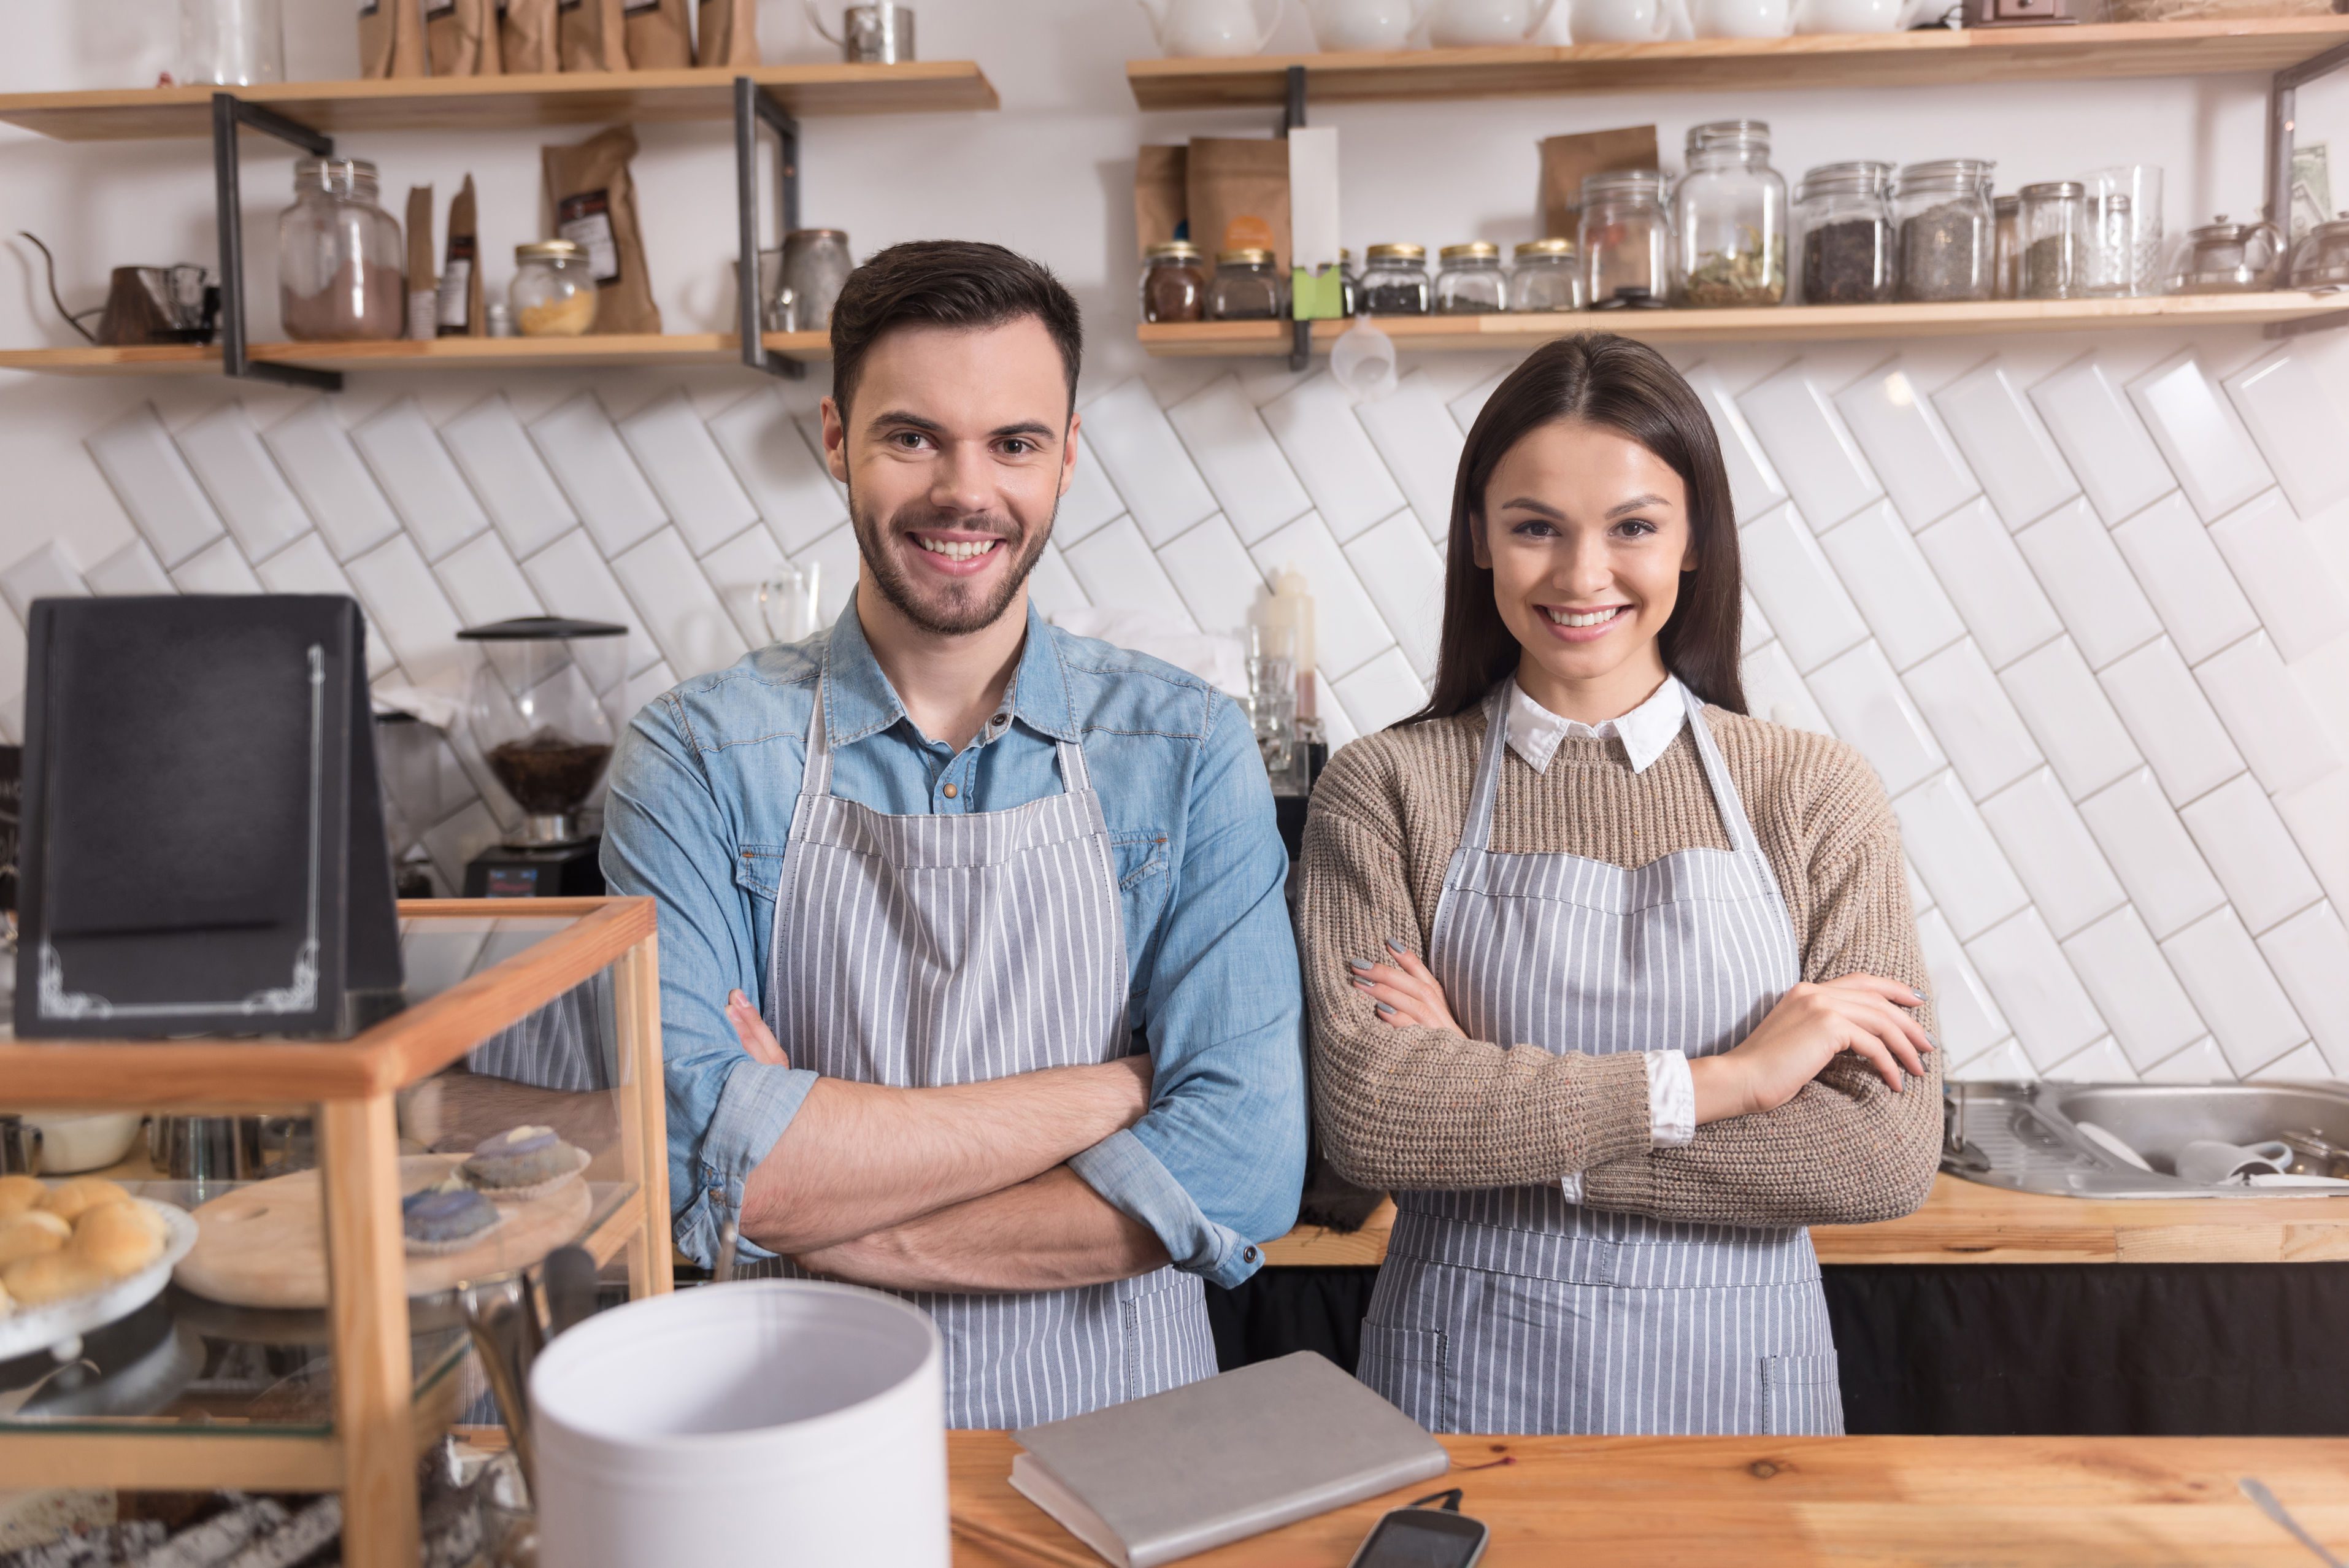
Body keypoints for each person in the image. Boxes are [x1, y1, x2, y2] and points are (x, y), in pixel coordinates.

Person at [602, 241, 1305, 1429]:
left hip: (1124, 1432)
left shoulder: (1186, 750)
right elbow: (687, 1157)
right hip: (791, 1434)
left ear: (1069, 455)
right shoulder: (696, 758)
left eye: (1013, 443)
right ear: (835, 440)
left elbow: (1242, 1165)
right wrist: (1114, 1095)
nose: (963, 492)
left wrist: (817, 1204)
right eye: (912, 437)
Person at [1299, 332, 1942, 1437]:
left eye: (1633, 526)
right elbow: (1373, 1119)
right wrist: (1736, 1080)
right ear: (1478, 542)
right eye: (1535, 526)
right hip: (1464, 1377)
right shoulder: (1385, 787)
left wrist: (1490, 1115)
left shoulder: (1812, 792)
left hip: (1745, 1394)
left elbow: (1876, 1158)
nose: (1581, 575)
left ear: (1692, 543)